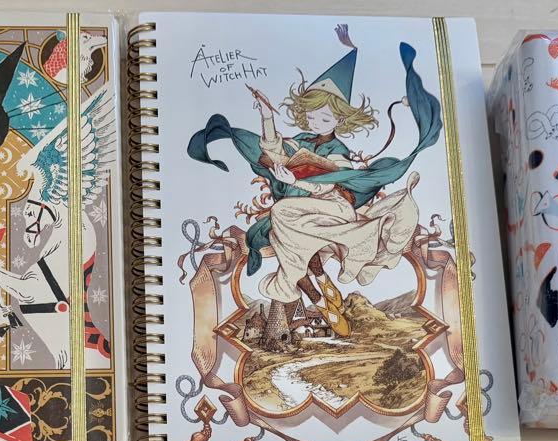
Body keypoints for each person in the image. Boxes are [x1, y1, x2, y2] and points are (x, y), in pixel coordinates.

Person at [188, 25, 442, 335]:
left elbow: (329, 184)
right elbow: (275, 151)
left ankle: (318, 295)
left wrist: (295, 181)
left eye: (324, 117)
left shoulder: (339, 150)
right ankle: (321, 292)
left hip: (333, 209)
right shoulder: (304, 140)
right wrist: (267, 117)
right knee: (285, 236)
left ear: (340, 119)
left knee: (281, 216)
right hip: (303, 210)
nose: (316, 121)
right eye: (311, 115)